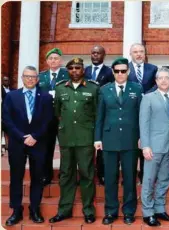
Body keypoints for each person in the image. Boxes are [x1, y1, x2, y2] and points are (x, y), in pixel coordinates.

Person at [49, 58, 99, 224]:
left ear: (83, 70)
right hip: (67, 138)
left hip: (86, 138)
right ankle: (64, 210)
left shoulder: (93, 88)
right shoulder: (60, 87)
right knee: (66, 175)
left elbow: (97, 114)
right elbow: (57, 113)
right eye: (71, 68)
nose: (75, 71)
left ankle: (88, 211)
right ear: (68, 71)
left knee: (87, 174)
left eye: (78, 68)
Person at [2, 66, 53, 226]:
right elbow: (6, 120)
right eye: (27, 76)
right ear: (22, 78)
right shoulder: (11, 96)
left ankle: (34, 209)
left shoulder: (45, 97)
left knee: (37, 177)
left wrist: (35, 136)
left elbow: (48, 120)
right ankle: (16, 210)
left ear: (37, 79)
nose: (30, 79)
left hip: (38, 143)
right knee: (16, 177)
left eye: (33, 77)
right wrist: (22, 136)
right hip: (18, 143)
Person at [94, 57, 143, 225]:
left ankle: (129, 211)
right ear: (113, 72)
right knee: (110, 177)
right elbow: (99, 116)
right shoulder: (104, 90)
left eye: (123, 70)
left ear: (128, 71)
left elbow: (140, 116)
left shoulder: (136, 89)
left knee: (129, 177)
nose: (120, 74)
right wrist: (97, 138)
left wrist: (141, 137)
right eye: (117, 71)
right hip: (109, 139)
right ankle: (111, 211)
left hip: (130, 140)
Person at [139, 67, 169, 226]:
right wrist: (145, 145)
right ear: (156, 81)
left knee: (164, 180)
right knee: (148, 180)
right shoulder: (148, 98)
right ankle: (148, 212)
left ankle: (160, 209)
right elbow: (144, 123)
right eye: (160, 78)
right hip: (153, 147)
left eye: (166, 78)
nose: (163, 80)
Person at [38, 48, 69, 185]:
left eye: (56, 58)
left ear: (61, 60)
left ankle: (65, 175)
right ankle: (46, 175)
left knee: (65, 147)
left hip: (63, 116)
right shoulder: (41, 76)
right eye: (50, 58)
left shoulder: (67, 75)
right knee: (46, 147)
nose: (53, 61)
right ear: (47, 61)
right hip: (46, 118)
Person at [127, 43, 158, 183]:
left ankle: (145, 175)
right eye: (135, 52)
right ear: (131, 54)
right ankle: (131, 174)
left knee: (146, 142)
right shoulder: (124, 69)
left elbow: (156, 85)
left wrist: (146, 96)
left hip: (149, 112)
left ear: (145, 53)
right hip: (130, 112)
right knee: (132, 144)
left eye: (141, 51)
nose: (138, 54)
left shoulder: (153, 68)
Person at [84, 45, 115, 185]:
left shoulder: (109, 72)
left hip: (103, 112)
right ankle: (87, 174)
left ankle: (102, 174)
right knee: (87, 146)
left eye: (98, 53)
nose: (95, 55)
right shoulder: (85, 71)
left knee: (102, 146)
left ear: (104, 55)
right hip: (87, 113)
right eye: (93, 53)